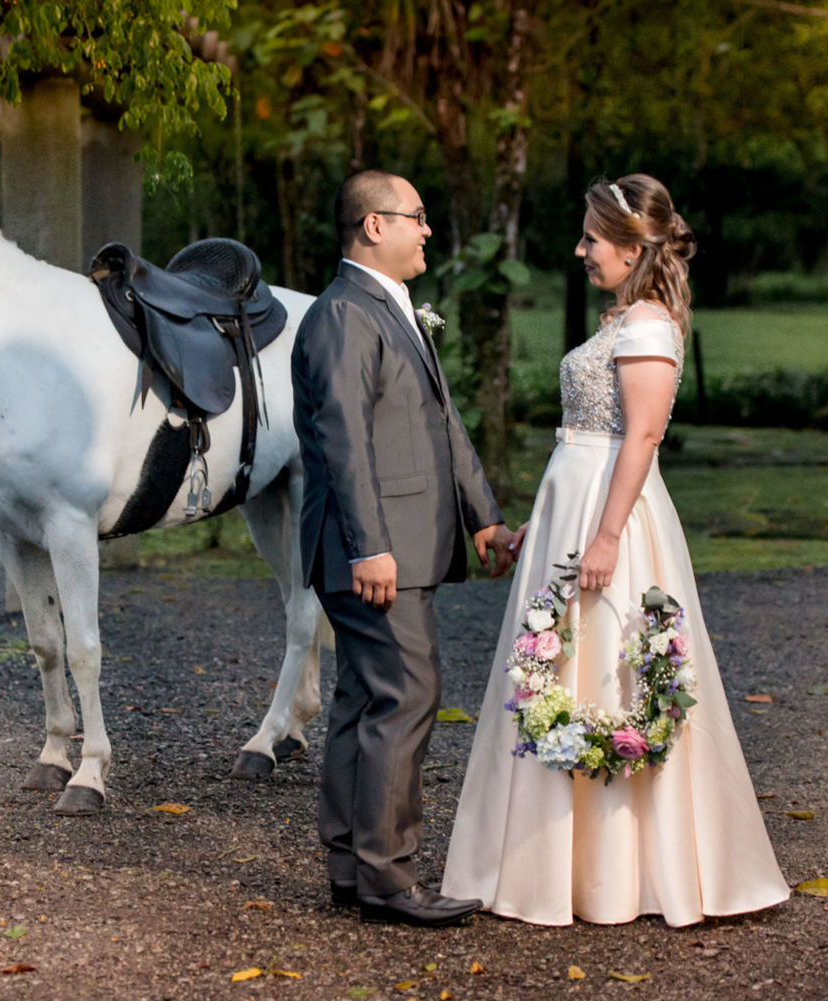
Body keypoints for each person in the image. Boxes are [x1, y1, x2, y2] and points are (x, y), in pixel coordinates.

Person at [441, 174, 789, 927]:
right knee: (554, 663)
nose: (580, 250)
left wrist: (601, 535)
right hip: (573, 507)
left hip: (614, 519)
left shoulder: (649, 327)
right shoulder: (622, 317)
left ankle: (618, 874)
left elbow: (642, 434)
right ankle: (546, 867)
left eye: (592, 239)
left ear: (633, 249)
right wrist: (551, 519)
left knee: (604, 669)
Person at [291, 169, 516, 928]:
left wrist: (481, 514)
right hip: (374, 551)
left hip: (402, 541)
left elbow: (439, 421)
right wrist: (368, 547)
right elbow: (343, 442)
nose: (427, 229)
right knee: (406, 694)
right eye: (417, 216)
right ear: (374, 226)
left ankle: (354, 866)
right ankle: (390, 878)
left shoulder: (390, 311)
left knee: (366, 696)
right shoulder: (342, 317)